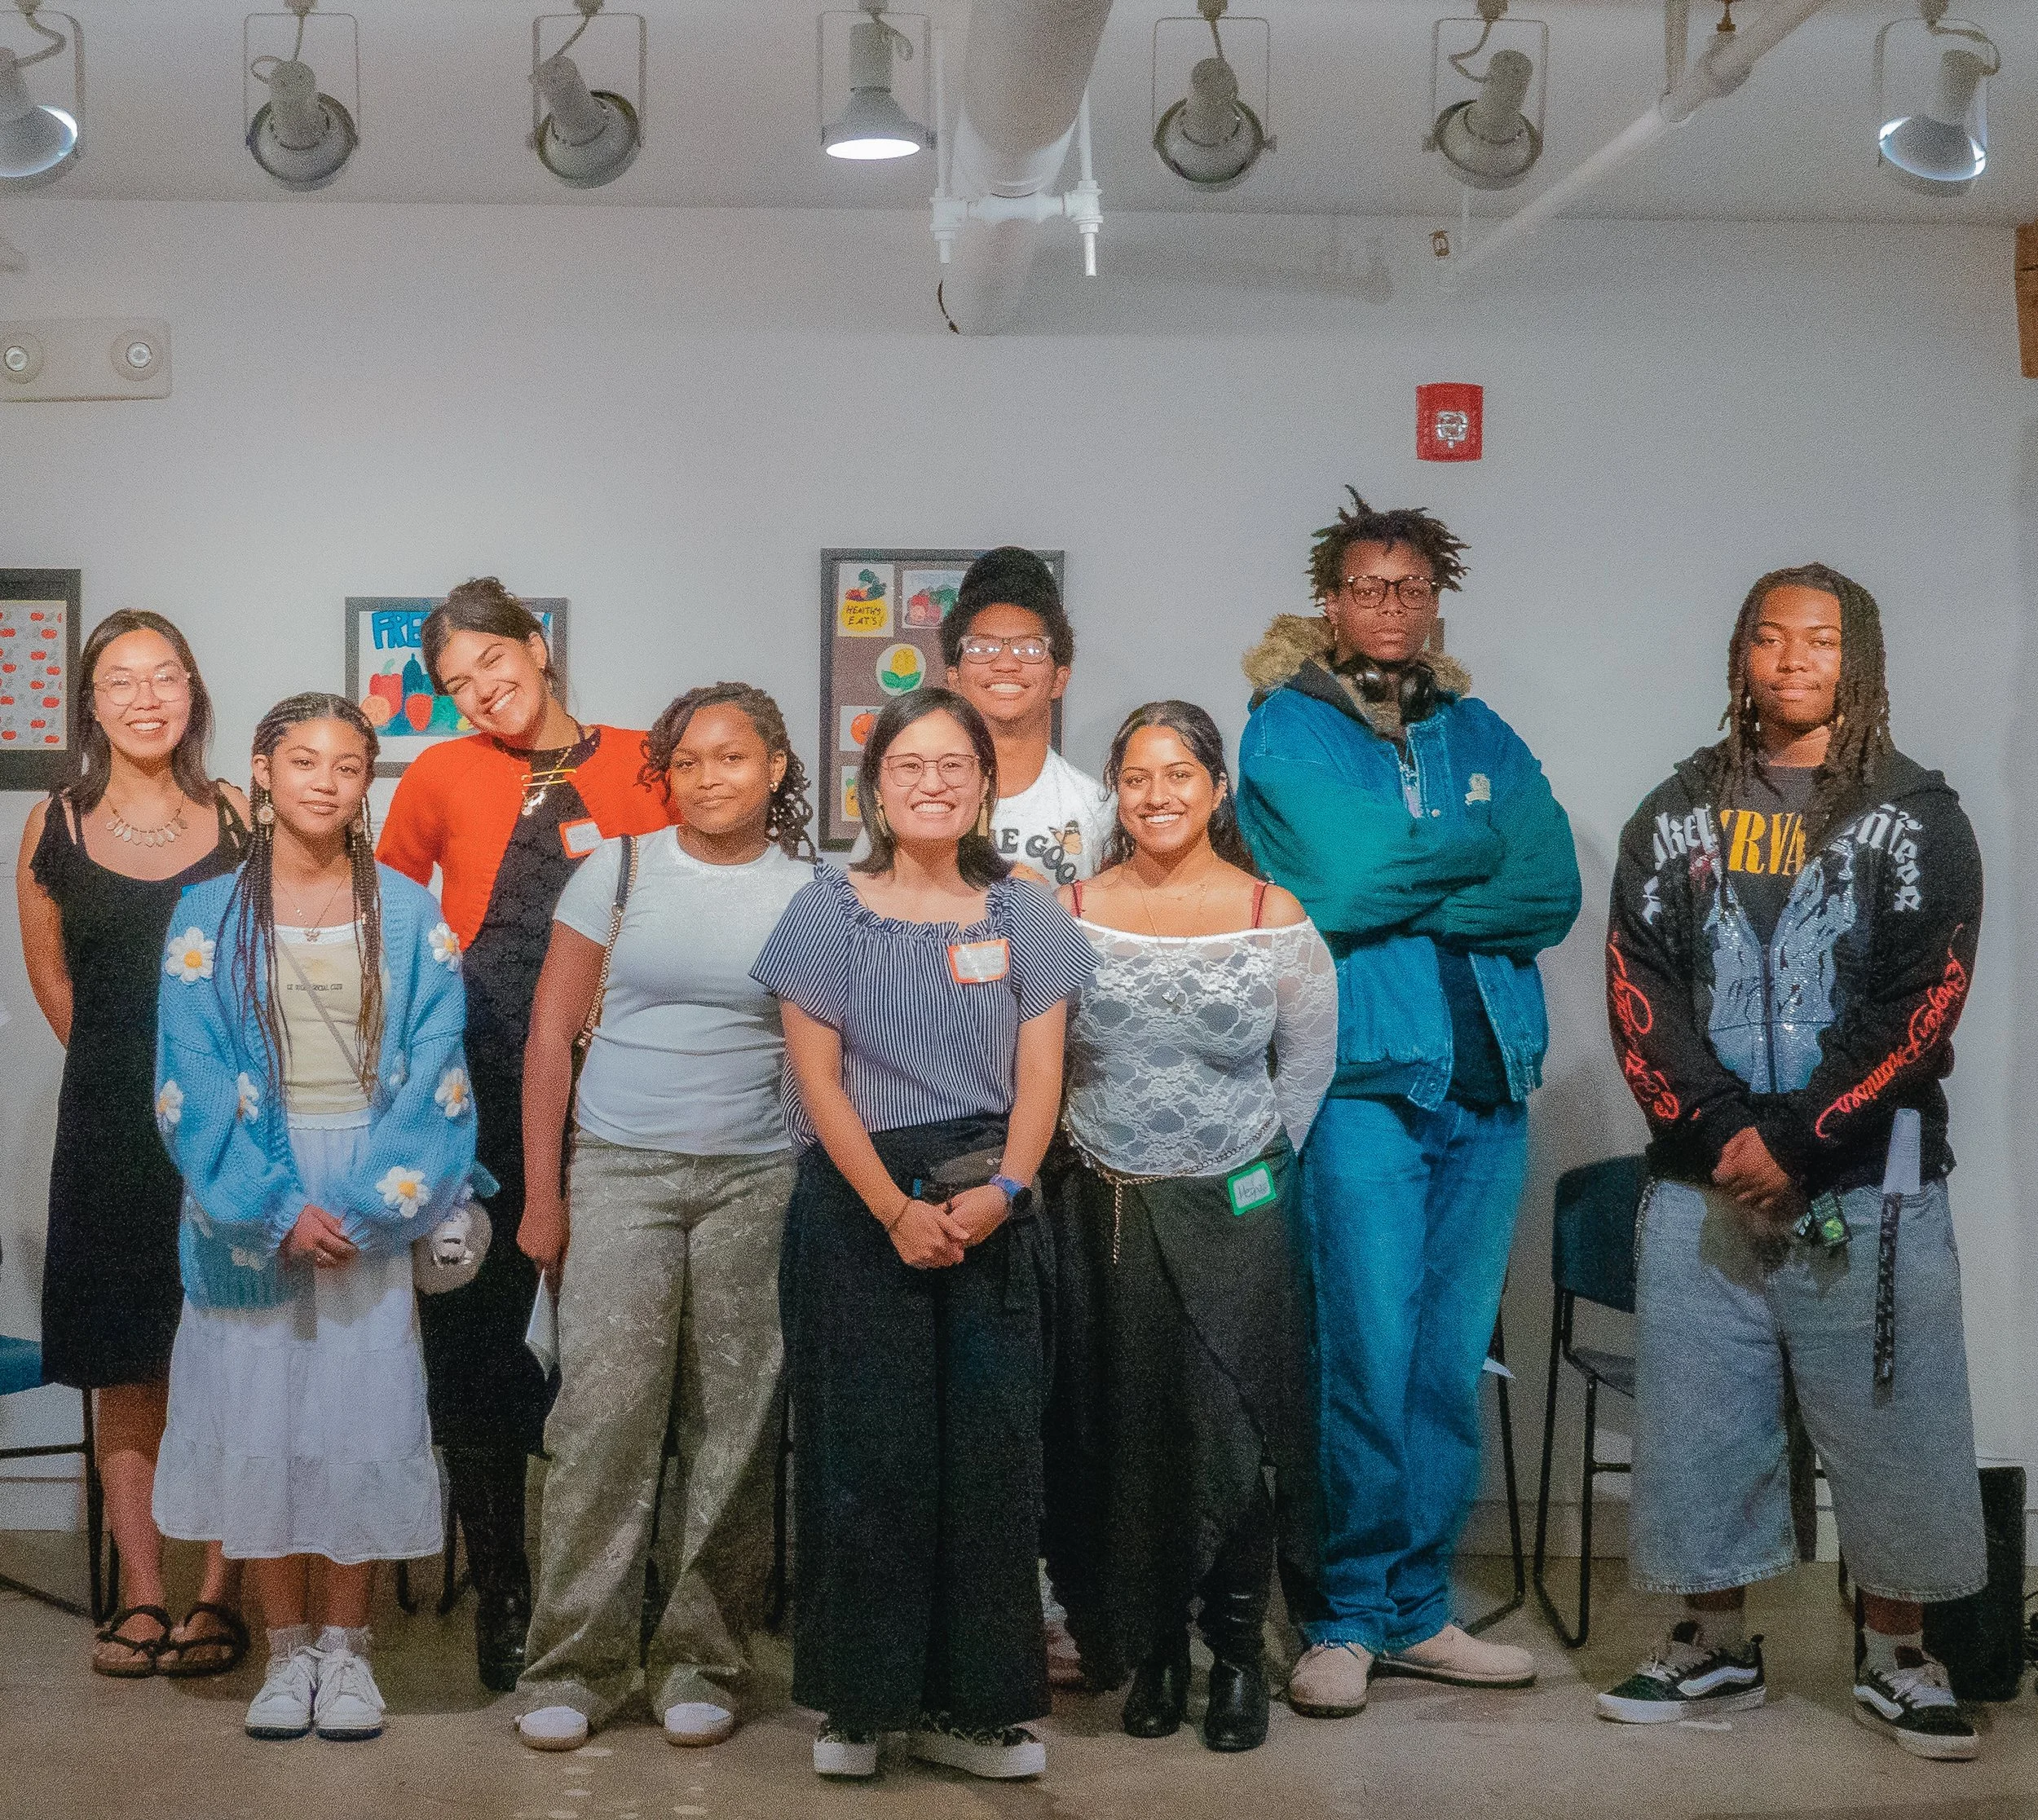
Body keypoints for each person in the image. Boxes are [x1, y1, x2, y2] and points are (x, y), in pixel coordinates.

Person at [1597, 564, 1987, 1761]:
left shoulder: (1919, 814)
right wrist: (1725, 1135)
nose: (1792, 658)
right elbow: (1638, 988)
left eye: (1819, 640)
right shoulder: (1675, 812)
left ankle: (1900, 1659)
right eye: (1769, 638)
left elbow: (1927, 1001)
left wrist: (1806, 1138)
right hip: (1699, 1181)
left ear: (1857, 658)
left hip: (1875, 1178)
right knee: (1704, 1423)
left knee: (1895, 1422)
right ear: (1740, 657)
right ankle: (1710, 1645)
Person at [1237, 488, 1580, 1716]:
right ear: (1332, 601)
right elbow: (1332, 880)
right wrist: (1462, 854)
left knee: (1445, 1361)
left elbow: (1550, 887)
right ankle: (1344, 1615)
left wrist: (1409, 879)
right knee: (1364, 1353)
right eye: (1370, 586)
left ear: (1437, 601)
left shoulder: (1479, 728)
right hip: (1367, 1086)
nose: (1392, 605)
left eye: (1414, 587)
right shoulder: (1285, 728)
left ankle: (1419, 1609)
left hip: (1491, 1085)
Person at [752, 687, 1095, 1783]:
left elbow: (1045, 1074)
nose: (934, 783)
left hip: (993, 1196)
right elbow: (815, 1080)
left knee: (992, 1462)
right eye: (910, 767)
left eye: (955, 765)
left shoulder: (1027, 914)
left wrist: (1004, 1188)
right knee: (868, 1456)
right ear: (876, 788)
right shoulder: (826, 907)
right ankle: (858, 1706)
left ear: (987, 785)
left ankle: (977, 1709)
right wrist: (895, 1210)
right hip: (858, 1203)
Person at [151, 694, 482, 1743]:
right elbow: (189, 1079)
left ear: (365, 784)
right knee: (262, 1423)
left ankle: (349, 1653)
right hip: (248, 1195)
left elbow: (436, 1070)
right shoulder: (205, 916)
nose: (325, 781)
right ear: (261, 769)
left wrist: (371, 1209)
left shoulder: (410, 912)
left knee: (362, 1417)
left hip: (368, 1194)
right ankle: (283, 1651)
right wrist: (270, 1208)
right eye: (303, 760)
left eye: (348, 765)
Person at [378, 579, 672, 1691]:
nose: (479, 693)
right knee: (478, 1338)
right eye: (455, 684)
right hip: (476, 1094)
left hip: (624, 1091)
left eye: (490, 664)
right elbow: (394, 921)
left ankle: (619, 1593)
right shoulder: (442, 774)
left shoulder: (647, 758)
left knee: (625, 1344)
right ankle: (503, 1590)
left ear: (538, 646)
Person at [513, 684, 815, 1753]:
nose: (711, 778)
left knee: (732, 1429)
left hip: (755, 1180)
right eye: (689, 762)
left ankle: (704, 1658)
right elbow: (550, 1036)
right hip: (620, 1174)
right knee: (600, 1422)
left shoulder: (811, 891)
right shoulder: (620, 868)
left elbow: (823, 1059)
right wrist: (545, 1194)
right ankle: (574, 1663)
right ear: (665, 775)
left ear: (776, 768)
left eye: (733, 758)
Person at [1055, 702, 1335, 1752]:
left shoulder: (1273, 911)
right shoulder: (1072, 908)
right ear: (1115, 792)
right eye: (1136, 776)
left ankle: (1231, 1658)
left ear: (1216, 788)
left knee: (1234, 1429)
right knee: (1126, 1430)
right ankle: (1154, 1649)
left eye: (1179, 774)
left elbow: (1303, 1071)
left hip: (1238, 1211)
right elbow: (1041, 1054)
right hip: (1108, 1210)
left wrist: (1241, 1176)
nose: (1158, 795)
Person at [13, 610, 251, 1681]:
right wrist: (137, 1084)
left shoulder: (241, 817)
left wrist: (204, 1097)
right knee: (126, 1361)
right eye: (122, 679)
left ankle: (218, 1599)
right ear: (92, 704)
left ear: (192, 695)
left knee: (236, 1355)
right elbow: (57, 984)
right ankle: (143, 1599)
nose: (147, 695)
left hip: (235, 1129)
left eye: (166, 676)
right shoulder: (51, 825)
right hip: (110, 1126)